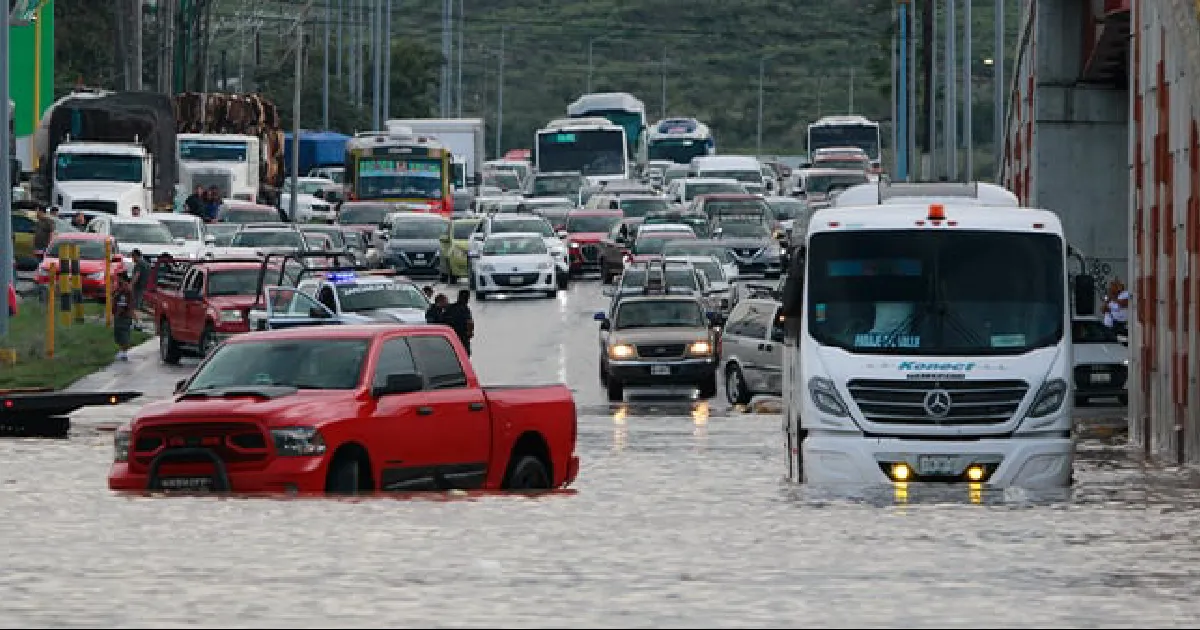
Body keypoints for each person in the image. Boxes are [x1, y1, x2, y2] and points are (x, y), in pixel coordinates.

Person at [443, 289, 475, 356]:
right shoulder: (465, 308)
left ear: (458, 297)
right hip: (462, 336)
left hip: (450, 336)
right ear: (468, 298)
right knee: (465, 355)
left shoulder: (450, 307)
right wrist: (470, 332)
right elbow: (469, 322)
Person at [112, 271, 135, 361]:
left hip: (123, 315)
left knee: (122, 333)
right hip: (122, 314)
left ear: (122, 278)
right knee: (120, 333)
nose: (117, 279)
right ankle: (122, 351)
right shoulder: (121, 288)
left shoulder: (125, 290)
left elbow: (123, 303)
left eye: (118, 278)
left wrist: (118, 313)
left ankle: (123, 352)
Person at [129, 249, 151, 329]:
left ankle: (138, 322)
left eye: (132, 257)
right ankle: (155, 315)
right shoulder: (147, 264)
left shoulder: (139, 264)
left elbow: (137, 275)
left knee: (132, 306)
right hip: (144, 287)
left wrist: (131, 285)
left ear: (135, 256)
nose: (132, 259)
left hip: (138, 288)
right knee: (141, 306)